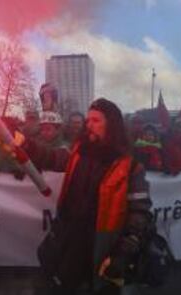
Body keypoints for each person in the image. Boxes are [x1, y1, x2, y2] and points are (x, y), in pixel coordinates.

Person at [18, 98, 153, 294]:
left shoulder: (130, 167)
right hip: (69, 240)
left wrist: (125, 249)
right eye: (88, 120)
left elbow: (139, 211)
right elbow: (53, 158)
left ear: (112, 125)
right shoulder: (79, 152)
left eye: (96, 120)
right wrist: (27, 145)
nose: (89, 125)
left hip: (101, 247)